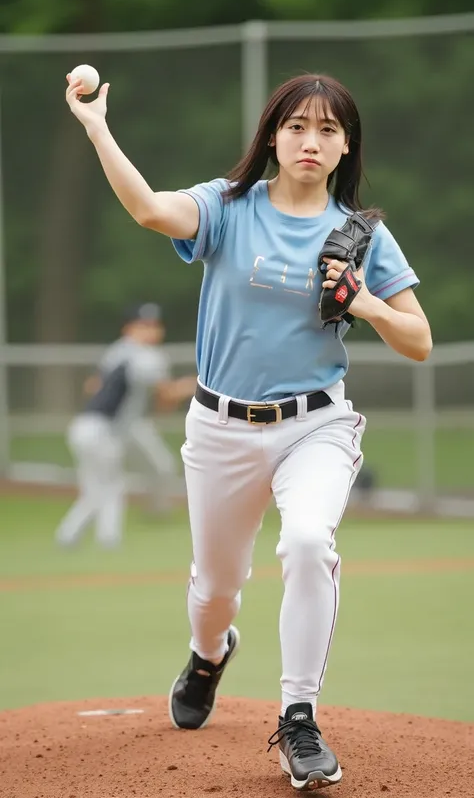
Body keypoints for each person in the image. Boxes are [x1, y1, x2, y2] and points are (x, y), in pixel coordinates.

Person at [65, 70, 432, 789]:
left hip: (315, 425)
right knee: (215, 589)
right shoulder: (229, 207)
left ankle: (298, 717)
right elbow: (146, 210)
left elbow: (418, 338)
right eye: (297, 125)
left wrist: (370, 306)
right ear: (273, 134)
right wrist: (96, 125)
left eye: (328, 129)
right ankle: (210, 653)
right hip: (220, 429)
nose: (311, 140)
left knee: (305, 539)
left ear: (345, 146)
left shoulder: (361, 235)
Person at [55, 302, 195, 548]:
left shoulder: (117, 351)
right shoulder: (146, 356)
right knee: (109, 487)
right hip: (103, 429)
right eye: (144, 325)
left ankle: (70, 537)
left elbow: (92, 385)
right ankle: (105, 540)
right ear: (129, 328)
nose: (151, 330)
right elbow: (166, 395)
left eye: (154, 325)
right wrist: (195, 384)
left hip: (88, 424)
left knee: (99, 488)